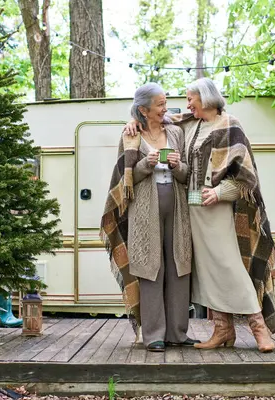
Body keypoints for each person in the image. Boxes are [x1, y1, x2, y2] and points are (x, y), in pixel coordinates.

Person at [124, 78, 275, 353]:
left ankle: (259, 327)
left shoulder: (230, 125)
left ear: (205, 98)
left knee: (228, 265)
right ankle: (222, 329)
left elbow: (246, 178)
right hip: (191, 208)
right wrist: (131, 121)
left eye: (190, 98)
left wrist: (219, 193)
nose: (185, 104)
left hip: (216, 207)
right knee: (206, 271)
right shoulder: (189, 123)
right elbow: (151, 114)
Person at [100, 82, 198, 352]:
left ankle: (178, 333)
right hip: (144, 209)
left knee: (179, 265)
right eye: (160, 104)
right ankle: (153, 334)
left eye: (165, 103)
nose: (165, 108)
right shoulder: (130, 136)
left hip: (177, 208)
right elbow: (124, 177)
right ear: (143, 109)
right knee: (150, 267)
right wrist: (146, 164)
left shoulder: (176, 132)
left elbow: (188, 174)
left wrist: (178, 166)